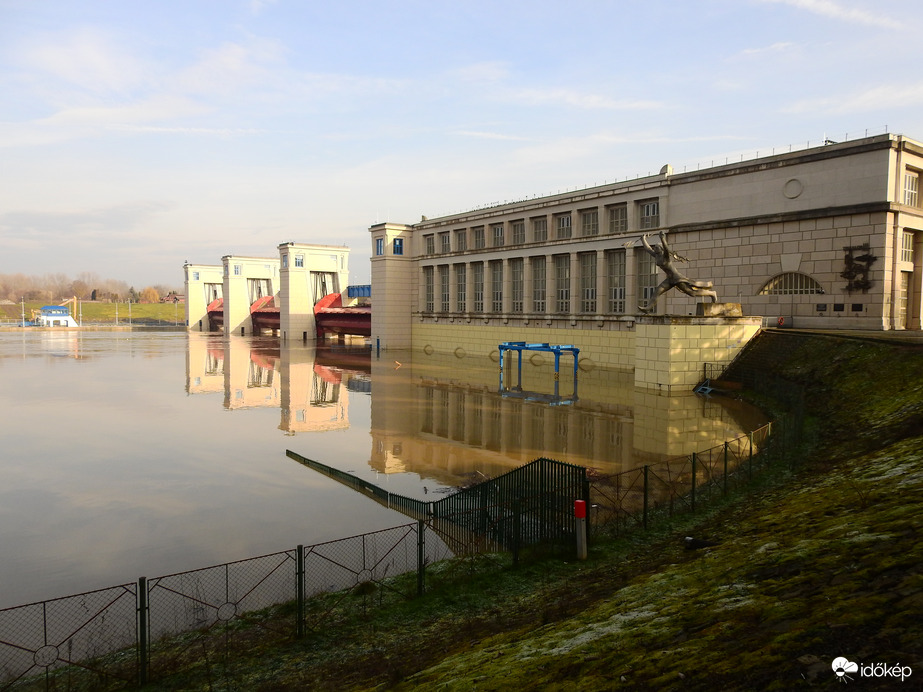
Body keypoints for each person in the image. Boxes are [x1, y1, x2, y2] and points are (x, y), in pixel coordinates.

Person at [639, 231, 717, 312]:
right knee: (657, 292)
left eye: (656, 247)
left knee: (692, 293)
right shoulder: (656, 256)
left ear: (661, 249)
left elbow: (666, 248)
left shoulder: (665, 256)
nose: (655, 249)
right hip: (669, 279)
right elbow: (648, 249)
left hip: (677, 278)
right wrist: (643, 239)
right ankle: (648, 308)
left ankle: (712, 293)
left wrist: (662, 238)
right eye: (655, 247)